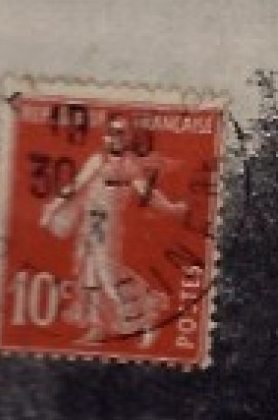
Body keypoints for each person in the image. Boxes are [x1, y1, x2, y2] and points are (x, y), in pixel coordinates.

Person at [40, 113, 189, 346]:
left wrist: (171, 208)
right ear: (105, 136)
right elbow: (75, 186)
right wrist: (52, 208)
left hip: (108, 226)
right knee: (90, 276)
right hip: (91, 225)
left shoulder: (130, 164)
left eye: (121, 133)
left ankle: (146, 323)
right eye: (112, 132)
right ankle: (97, 327)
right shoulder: (97, 160)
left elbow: (146, 195)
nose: (115, 138)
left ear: (128, 137)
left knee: (109, 276)